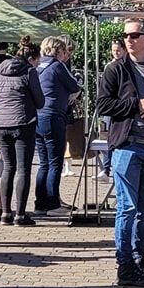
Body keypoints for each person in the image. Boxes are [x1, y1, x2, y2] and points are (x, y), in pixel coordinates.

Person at [96, 20, 144, 287]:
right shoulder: (115, 70)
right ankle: (125, 265)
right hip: (127, 146)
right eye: (126, 35)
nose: (128, 40)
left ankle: (139, 260)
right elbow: (103, 104)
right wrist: (137, 104)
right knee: (127, 208)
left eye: (134, 35)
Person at [0, 36, 44, 225]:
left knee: (8, 167)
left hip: (1, 123)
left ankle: (5, 213)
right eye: (38, 60)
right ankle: (20, 214)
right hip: (23, 123)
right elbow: (40, 101)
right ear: (32, 58)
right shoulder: (29, 72)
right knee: (23, 168)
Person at [35, 36, 81, 214]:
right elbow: (75, 86)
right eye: (64, 51)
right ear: (58, 51)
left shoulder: (38, 66)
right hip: (54, 116)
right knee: (56, 162)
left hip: (38, 116)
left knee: (43, 162)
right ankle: (53, 204)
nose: (65, 55)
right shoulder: (57, 66)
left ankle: (40, 203)